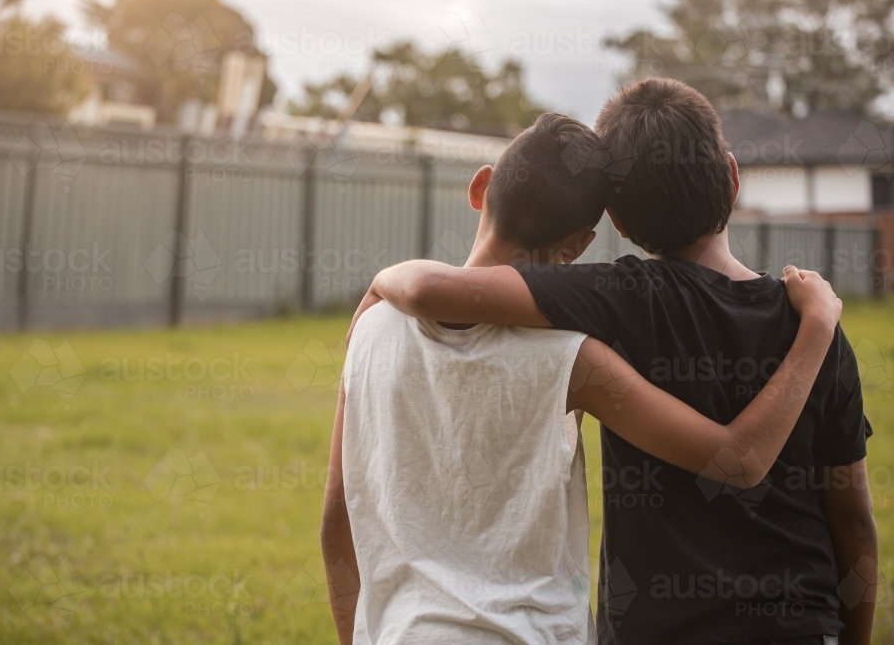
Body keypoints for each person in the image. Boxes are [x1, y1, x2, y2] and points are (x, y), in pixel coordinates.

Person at [321, 112, 847, 645]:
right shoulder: (574, 359)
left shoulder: (368, 334)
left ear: (481, 187)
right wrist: (820, 323)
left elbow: (335, 518)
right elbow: (735, 459)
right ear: (579, 244)